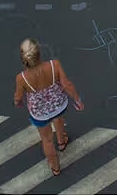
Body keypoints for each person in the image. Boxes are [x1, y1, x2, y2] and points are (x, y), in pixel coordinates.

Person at [13, 39, 84, 175]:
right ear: (39, 53)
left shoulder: (21, 78)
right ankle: (62, 141)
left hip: (40, 113)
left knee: (47, 139)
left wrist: (18, 102)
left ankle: (55, 167)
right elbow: (67, 85)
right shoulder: (54, 65)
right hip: (58, 105)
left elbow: (18, 96)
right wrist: (77, 100)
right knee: (58, 119)